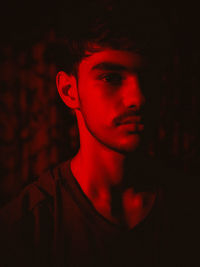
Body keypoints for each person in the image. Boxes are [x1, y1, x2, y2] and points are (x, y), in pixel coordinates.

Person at [0, 1, 198, 266]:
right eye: (111, 77)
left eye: (147, 76)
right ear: (70, 91)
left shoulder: (189, 208)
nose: (137, 98)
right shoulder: (25, 229)